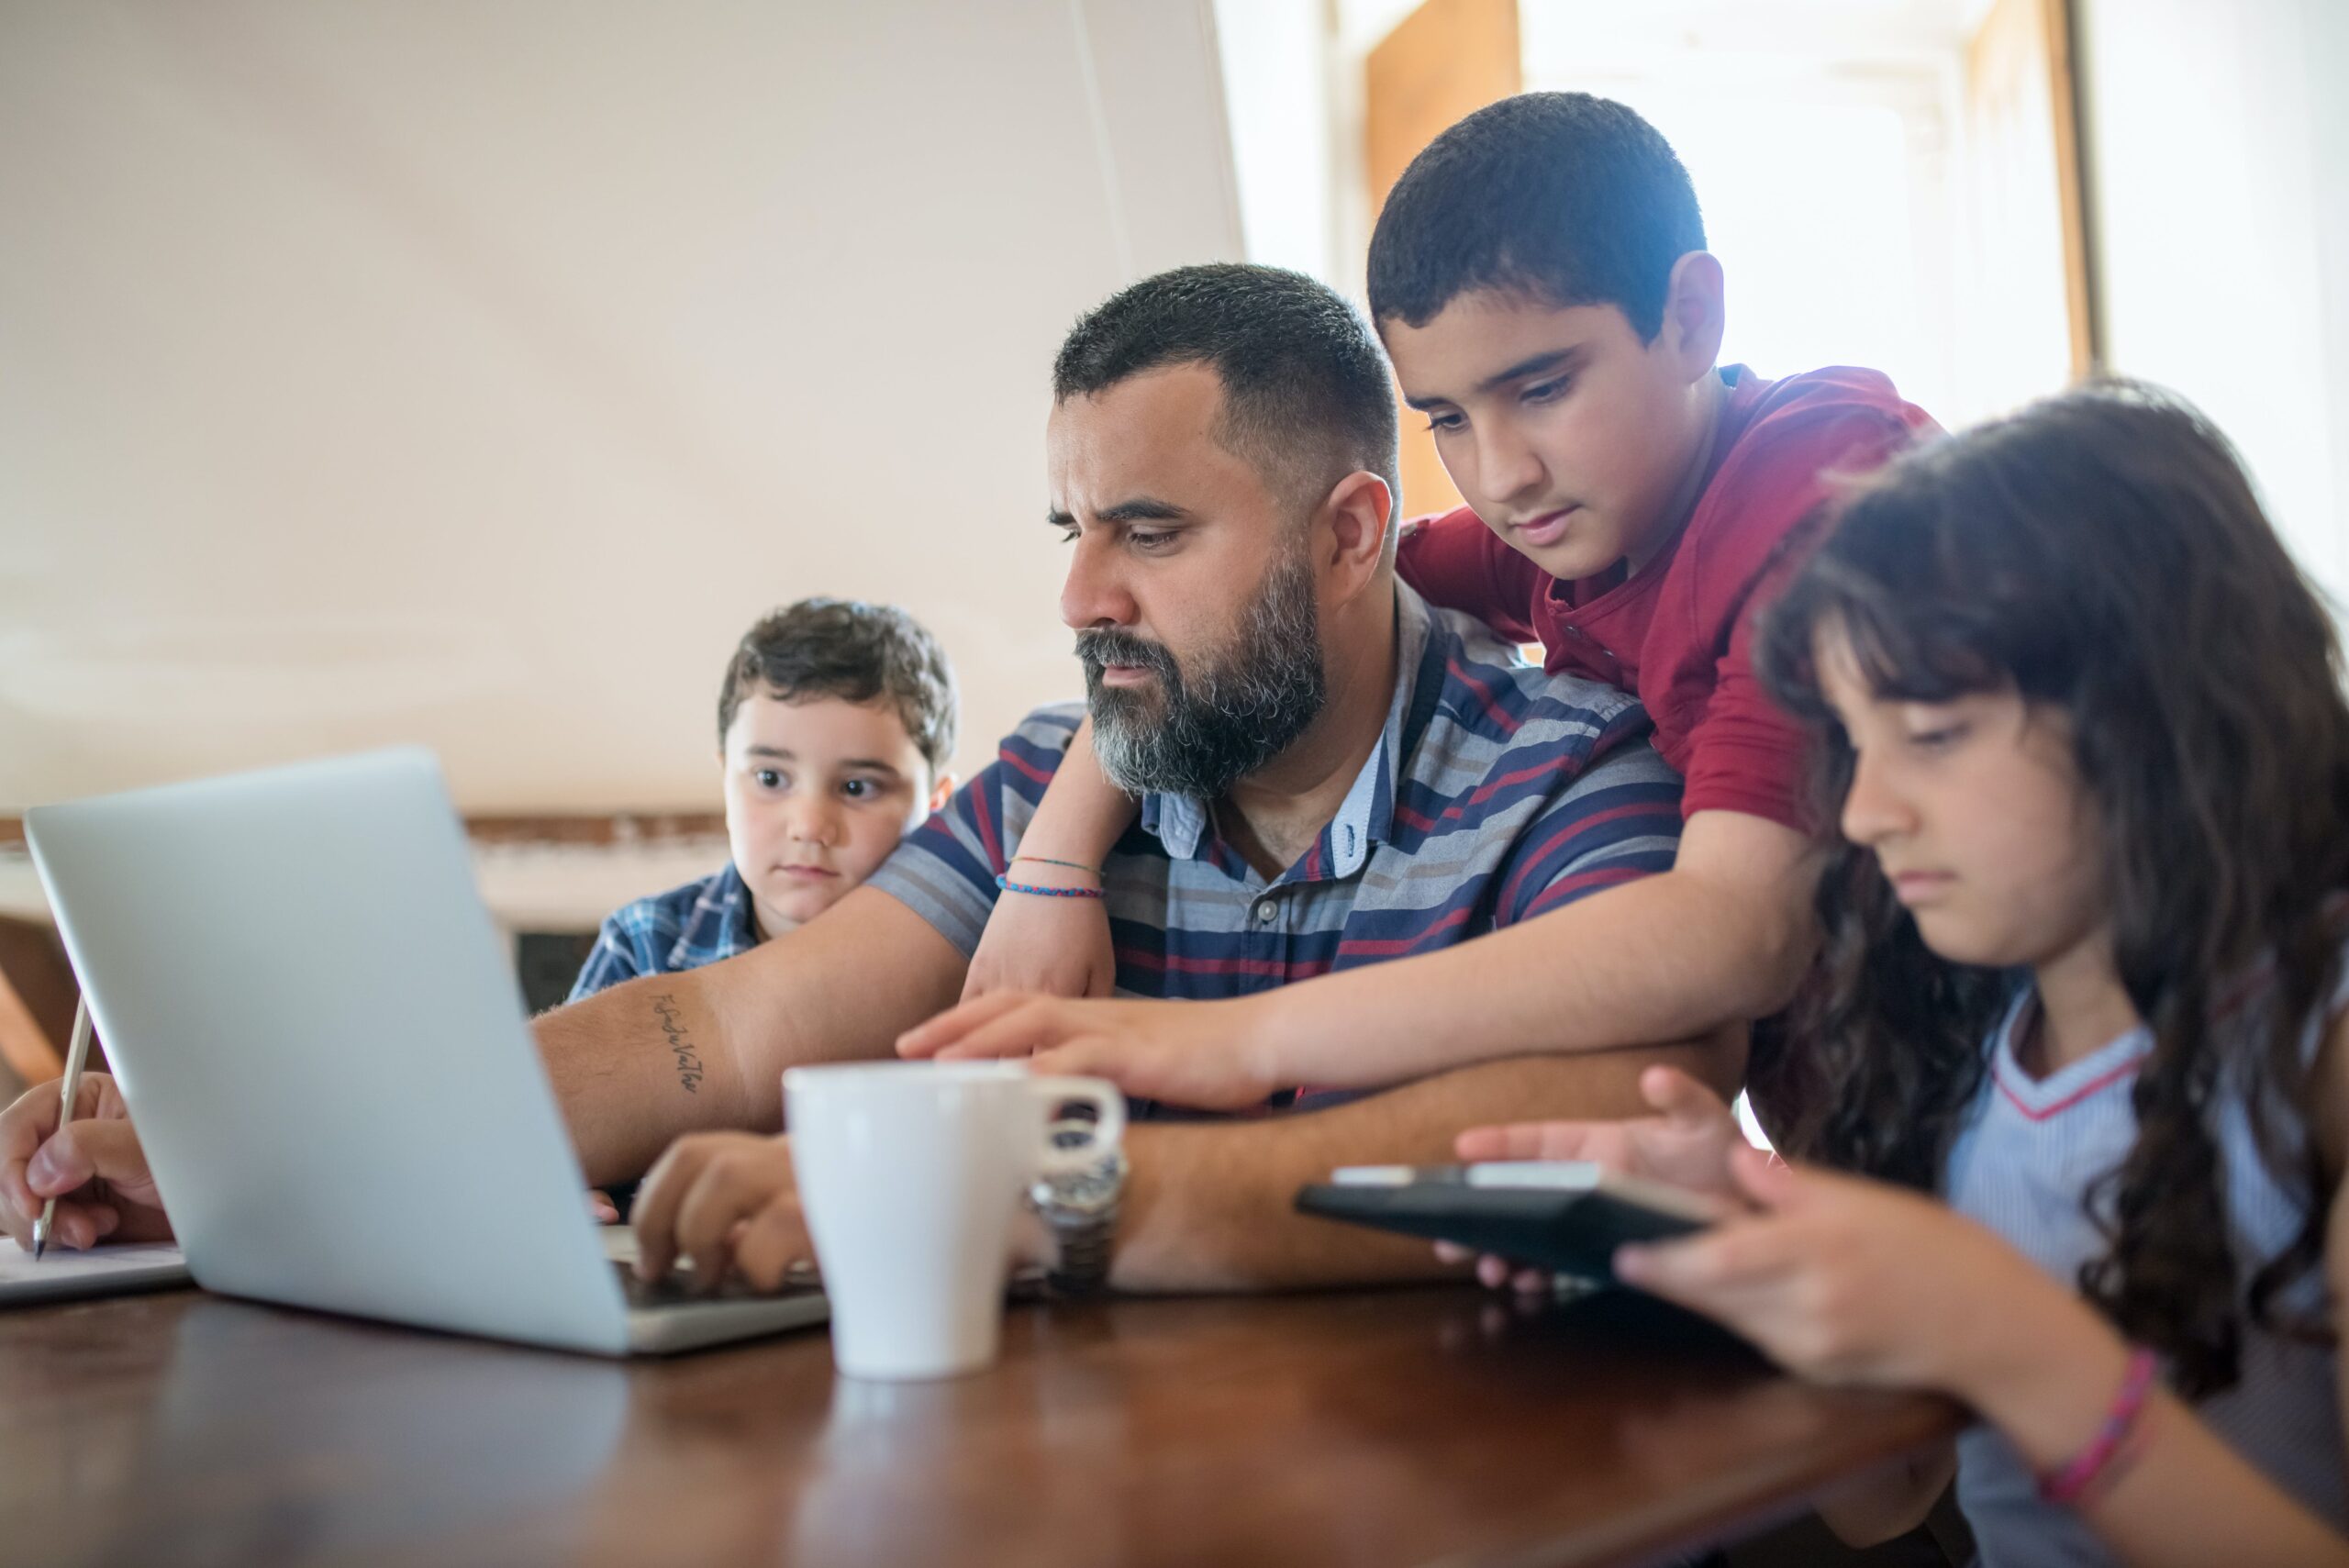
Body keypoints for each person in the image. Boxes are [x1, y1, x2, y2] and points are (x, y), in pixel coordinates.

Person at [2, 263, 1732, 1296]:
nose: (1079, 599)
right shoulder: (1074, 775)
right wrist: (249, 1150)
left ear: (1354, 530)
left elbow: (1580, 1121)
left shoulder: (1575, 769)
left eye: (1148, 531)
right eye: (1070, 530)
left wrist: (989, 1195)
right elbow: (721, 1033)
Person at [1454, 385, 2349, 1565]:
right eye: (1853, 748)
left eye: (1929, 737)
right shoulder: (1962, 1034)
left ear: (2151, 707)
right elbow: (1886, 1497)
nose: (1866, 814)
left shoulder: (2315, 1056)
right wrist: (1745, 1251)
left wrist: (2003, 1332)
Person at [916, 92, 1935, 1118]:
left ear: (1690, 318)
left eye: (1542, 388)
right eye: (1446, 416)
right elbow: (1252, 598)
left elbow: (1735, 932)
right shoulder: (1563, 531)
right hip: (1856, 1138)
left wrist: (1243, 1038)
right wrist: (1051, 864)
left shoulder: (1824, 486)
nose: (1500, 475)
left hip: (2010, 1110)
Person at [568, 597, 957, 1001]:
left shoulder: (977, 957)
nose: (809, 827)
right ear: (726, 780)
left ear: (935, 805)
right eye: (770, 778)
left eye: (857, 787)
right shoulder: (642, 949)